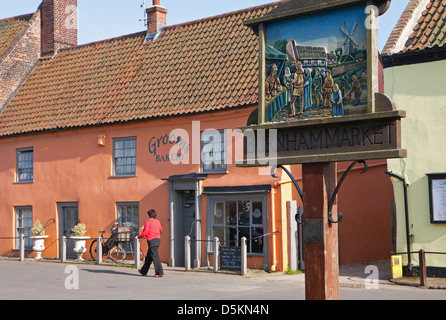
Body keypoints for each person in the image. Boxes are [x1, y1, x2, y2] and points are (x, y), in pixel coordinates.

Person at [138, 209, 164, 277]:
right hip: (157, 239)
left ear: (148, 215)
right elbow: (161, 230)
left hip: (151, 240)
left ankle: (159, 272)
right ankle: (143, 271)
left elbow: (145, 233)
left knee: (155, 257)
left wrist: (139, 236)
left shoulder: (148, 222)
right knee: (149, 257)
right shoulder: (158, 221)